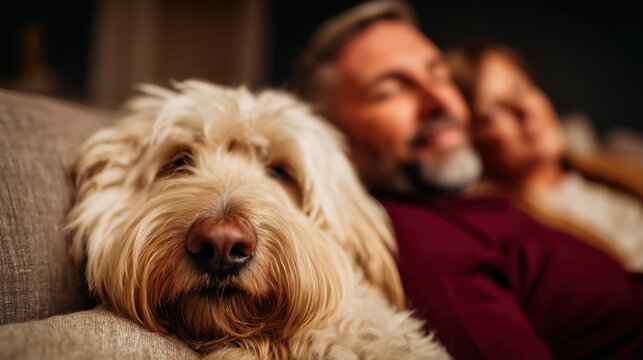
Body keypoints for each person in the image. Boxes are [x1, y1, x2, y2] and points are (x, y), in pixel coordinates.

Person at [292, 1, 643, 359]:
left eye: (439, 74)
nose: (437, 100)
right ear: (335, 142)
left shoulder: (468, 205)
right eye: (391, 89)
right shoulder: (420, 240)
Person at [445, 43, 643, 272]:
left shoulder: (615, 165)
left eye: (521, 88)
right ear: (470, 142)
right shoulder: (520, 234)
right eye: (492, 112)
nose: (524, 109)